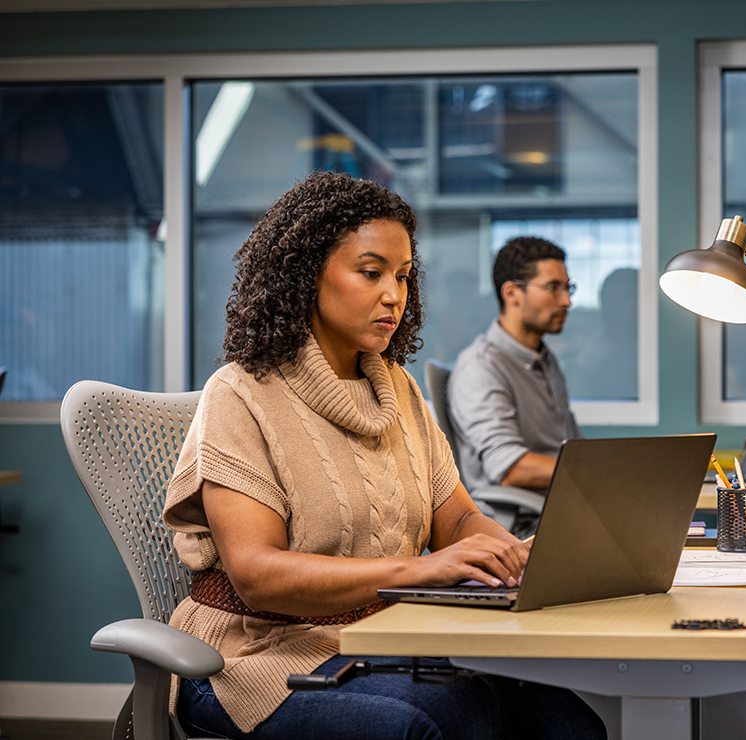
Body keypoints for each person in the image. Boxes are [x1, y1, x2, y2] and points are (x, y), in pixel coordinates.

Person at [162, 172, 605, 740]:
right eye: (371, 273)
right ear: (306, 274)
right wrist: (419, 571)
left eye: (402, 276)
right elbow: (256, 575)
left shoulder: (399, 390)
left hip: (381, 638)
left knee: (567, 723)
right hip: (253, 658)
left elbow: (459, 520)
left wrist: (517, 556)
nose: (394, 294)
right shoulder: (241, 393)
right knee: (442, 722)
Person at [448, 237, 582, 494]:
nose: (567, 301)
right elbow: (509, 467)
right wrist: (596, 474)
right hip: (524, 524)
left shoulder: (545, 360)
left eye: (568, 288)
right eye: (553, 287)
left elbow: (575, 448)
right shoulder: (480, 368)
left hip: (568, 503)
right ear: (511, 293)